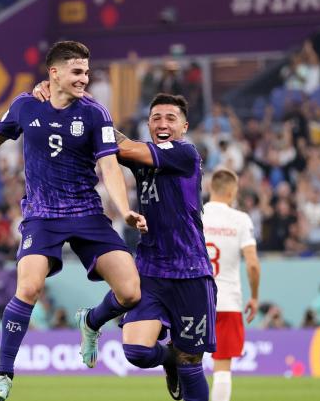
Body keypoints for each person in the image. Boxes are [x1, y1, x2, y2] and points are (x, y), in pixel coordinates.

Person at [0, 41, 146, 401]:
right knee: (28, 288)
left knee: (130, 292)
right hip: (41, 215)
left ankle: (91, 321)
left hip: (86, 212)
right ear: (55, 73)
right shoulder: (25, 104)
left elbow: (109, 165)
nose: (84, 79)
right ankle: (3, 376)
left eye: (87, 72)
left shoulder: (96, 113)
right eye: (77, 72)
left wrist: (123, 209)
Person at [74, 92, 216, 401]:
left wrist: (85, 110)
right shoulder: (144, 153)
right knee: (137, 351)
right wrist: (84, 106)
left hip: (190, 269)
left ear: (184, 126)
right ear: (148, 124)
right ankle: (168, 361)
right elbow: (117, 142)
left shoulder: (185, 153)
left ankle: (177, 363)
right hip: (151, 266)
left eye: (170, 118)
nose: (162, 123)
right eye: (155, 118)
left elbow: (122, 146)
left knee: (191, 361)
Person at [202, 168, 260, 401]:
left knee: (188, 362)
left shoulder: (195, 214)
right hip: (227, 302)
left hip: (194, 300)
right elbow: (253, 264)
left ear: (210, 188)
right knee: (222, 368)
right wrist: (254, 296)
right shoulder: (240, 219)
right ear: (233, 191)